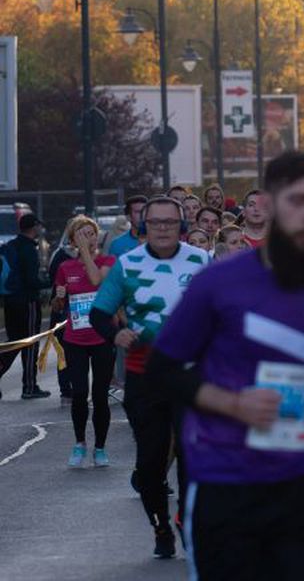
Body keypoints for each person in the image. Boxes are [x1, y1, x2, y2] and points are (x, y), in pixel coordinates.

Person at [145, 152, 304, 579]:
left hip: (302, 480)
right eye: (297, 201)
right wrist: (233, 404)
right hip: (225, 480)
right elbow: (161, 369)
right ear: (269, 203)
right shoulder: (220, 282)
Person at [88, 196, 210, 558]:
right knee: (151, 462)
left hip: (190, 376)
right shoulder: (128, 265)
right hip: (146, 375)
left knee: (193, 458)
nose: (162, 229)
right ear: (143, 226)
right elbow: (99, 314)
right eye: (154, 222)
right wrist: (115, 334)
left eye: (169, 223)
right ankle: (160, 524)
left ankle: (187, 522)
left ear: (181, 225)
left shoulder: (201, 261)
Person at [53, 215, 116, 465]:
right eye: (81, 234)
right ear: (72, 239)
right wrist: (59, 297)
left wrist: (85, 252)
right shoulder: (65, 268)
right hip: (75, 339)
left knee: (100, 395)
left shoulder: (107, 261)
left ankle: (100, 447)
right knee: (79, 393)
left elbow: (95, 280)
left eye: (91, 233)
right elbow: (58, 306)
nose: (88, 238)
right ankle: (80, 442)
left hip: (102, 338)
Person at [0, 212, 51, 399]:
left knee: (14, 341)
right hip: (27, 301)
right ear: (34, 227)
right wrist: (48, 282)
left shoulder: (11, 246)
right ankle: (29, 386)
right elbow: (31, 280)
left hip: (10, 299)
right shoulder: (29, 249)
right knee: (30, 343)